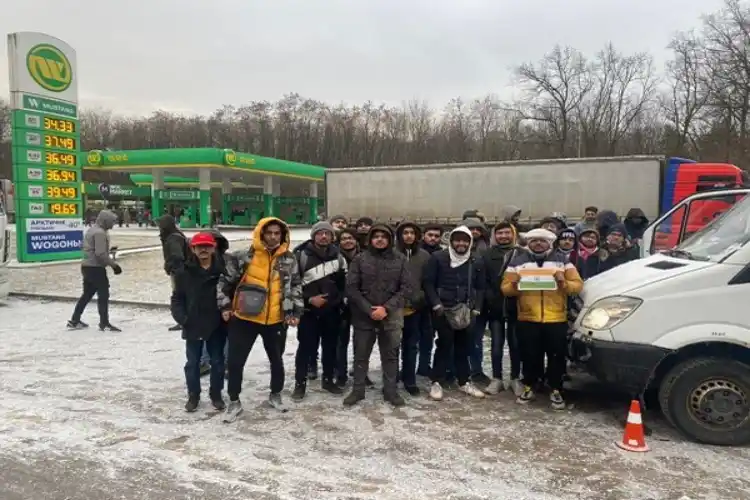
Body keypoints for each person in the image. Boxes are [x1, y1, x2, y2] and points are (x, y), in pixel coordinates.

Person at [217, 217, 303, 421]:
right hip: (244, 318)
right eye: (269, 233)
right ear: (261, 233)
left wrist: (294, 312)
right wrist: (225, 306)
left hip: (274, 320)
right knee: (236, 362)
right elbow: (223, 283)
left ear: (283, 236)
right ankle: (234, 400)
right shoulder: (243, 257)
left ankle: (275, 394)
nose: (273, 237)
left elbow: (295, 286)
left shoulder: (289, 259)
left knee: (276, 360)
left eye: (277, 233)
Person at [501, 228, 583, 410]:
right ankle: (530, 385)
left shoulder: (562, 261)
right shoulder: (518, 262)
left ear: (550, 243)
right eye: (534, 241)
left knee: (556, 357)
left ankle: (555, 388)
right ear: (528, 243)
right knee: (529, 355)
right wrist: (515, 285)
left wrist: (563, 283)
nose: (538, 244)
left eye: (542, 241)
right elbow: (505, 289)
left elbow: (577, 285)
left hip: (556, 319)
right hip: (528, 318)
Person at [343, 224, 411, 407]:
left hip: (391, 317)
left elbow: (405, 289)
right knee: (361, 355)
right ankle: (357, 391)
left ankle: (390, 391)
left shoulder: (401, 259)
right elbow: (351, 287)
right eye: (376, 236)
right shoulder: (360, 259)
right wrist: (369, 309)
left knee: (390, 356)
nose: (380, 239)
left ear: (390, 240)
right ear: (370, 239)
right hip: (364, 317)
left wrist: (385, 309)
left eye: (384, 236)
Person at [423, 226, 486, 401]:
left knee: (464, 346)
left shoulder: (476, 260)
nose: (461, 243)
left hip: (466, 310)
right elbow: (428, 283)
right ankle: (437, 381)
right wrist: (436, 304)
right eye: (457, 240)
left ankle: (464, 381)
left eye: (465, 240)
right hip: (444, 310)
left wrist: (477, 307)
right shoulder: (438, 258)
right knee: (444, 345)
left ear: (470, 242)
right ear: (451, 241)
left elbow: (480, 287)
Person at [170, 232, 227, 412]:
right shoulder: (183, 273)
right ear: (193, 249)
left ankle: (216, 394)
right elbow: (177, 299)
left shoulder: (223, 270)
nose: (203, 249)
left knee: (218, 362)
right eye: (199, 246)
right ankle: (193, 395)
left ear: (213, 248)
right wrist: (183, 319)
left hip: (217, 324)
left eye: (207, 246)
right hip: (193, 324)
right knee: (192, 363)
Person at [292, 222, 348, 400]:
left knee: (330, 348)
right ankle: (300, 384)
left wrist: (336, 302)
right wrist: (309, 300)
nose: (324, 236)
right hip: (308, 312)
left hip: (331, 313)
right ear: (313, 235)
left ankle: (328, 380)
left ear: (332, 237)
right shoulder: (300, 256)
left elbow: (345, 285)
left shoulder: (339, 257)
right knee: (305, 349)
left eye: (327, 233)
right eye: (320, 233)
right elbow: (293, 284)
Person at [482, 221, 523, 395]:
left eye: (507, 233)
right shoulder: (486, 254)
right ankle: (496, 378)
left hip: (517, 306)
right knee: (497, 344)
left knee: (515, 344)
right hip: (495, 307)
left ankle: (515, 378)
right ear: (494, 236)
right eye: (500, 233)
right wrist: (490, 299)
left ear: (513, 234)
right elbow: (483, 280)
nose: (504, 236)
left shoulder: (522, 254)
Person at [68, 210, 122, 332]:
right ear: (105, 221)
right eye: (112, 221)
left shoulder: (92, 230)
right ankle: (104, 323)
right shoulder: (100, 233)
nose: (113, 224)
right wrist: (114, 265)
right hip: (96, 268)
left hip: (86, 266)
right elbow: (100, 253)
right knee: (103, 295)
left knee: (86, 294)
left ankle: (75, 320)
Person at [394, 221, 431, 396]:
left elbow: (429, 281)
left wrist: (421, 297)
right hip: (393, 308)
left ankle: (410, 379)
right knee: (392, 345)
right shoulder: (391, 254)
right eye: (405, 233)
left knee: (411, 345)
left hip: (415, 309)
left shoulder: (424, 256)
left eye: (412, 233)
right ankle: (392, 376)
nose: (408, 236)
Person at [335, 228, 360, 387]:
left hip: (360, 305)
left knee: (360, 342)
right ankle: (341, 374)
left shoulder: (364, 256)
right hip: (341, 306)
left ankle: (360, 372)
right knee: (341, 341)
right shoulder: (334, 257)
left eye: (350, 238)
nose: (347, 241)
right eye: (343, 238)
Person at [417, 223, 443, 376]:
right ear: (423, 235)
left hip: (432, 301)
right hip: (414, 300)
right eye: (430, 235)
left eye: (436, 236)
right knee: (409, 338)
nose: (433, 238)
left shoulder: (441, 254)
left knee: (428, 336)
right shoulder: (416, 252)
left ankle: (424, 366)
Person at [159, 214, 189, 332]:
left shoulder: (173, 238)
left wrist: (169, 266)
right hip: (182, 270)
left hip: (179, 272)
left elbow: (177, 256)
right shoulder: (177, 235)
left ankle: (182, 320)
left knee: (179, 295)